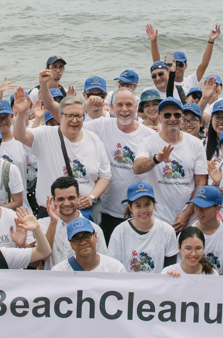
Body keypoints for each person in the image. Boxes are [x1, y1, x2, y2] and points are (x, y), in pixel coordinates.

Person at [22, 78, 111, 216]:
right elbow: (20, 135)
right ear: (60, 117)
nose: (74, 120)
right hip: (50, 213)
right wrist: (22, 113)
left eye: (78, 116)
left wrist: (92, 197)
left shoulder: (93, 138)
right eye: (69, 116)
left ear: (83, 117)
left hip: (84, 212)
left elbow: (105, 175)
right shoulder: (46, 134)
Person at [131, 96, 209, 230]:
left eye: (177, 115)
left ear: (182, 118)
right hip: (157, 217)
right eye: (167, 115)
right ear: (159, 118)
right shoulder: (148, 142)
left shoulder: (196, 144)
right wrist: (157, 159)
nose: (172, 119)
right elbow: (137, 168)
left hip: (188, 217)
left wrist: (187, 213)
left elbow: (201, 183)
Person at [85, 87, 153, 239]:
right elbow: (71, 129)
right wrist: (87, 108)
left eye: (129, 105)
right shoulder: (102, 125)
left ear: (136, 108)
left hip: (139, 210)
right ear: (112, 107)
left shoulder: (149, 135)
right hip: (108, 209)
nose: (124, 109)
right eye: (120, 105)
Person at [107, 182, 178, 272]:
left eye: (147, 204)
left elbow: (170, 268)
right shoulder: (120, 231)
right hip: (127, 284)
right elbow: (113, 267)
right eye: (138, 206)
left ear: (154, 205)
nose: (143, 210)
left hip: (157, 285)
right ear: (130, 208)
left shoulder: (167, 231)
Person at [35, 176, 103, 269]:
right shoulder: (42, 224)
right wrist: (53, 222)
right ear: (53, 200)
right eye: (61, 199)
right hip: (52, 281)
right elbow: (44, 256)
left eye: (71, 198)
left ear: (78, 197)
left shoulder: (95, 229)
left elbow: (102, 263)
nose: (66, 203)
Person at [58, 217, 125, 273]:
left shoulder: (116, 269)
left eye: (87, 237)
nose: (83, 242)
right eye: (76, 240)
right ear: (71, 244)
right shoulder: (59, 272)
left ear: (95, 237)